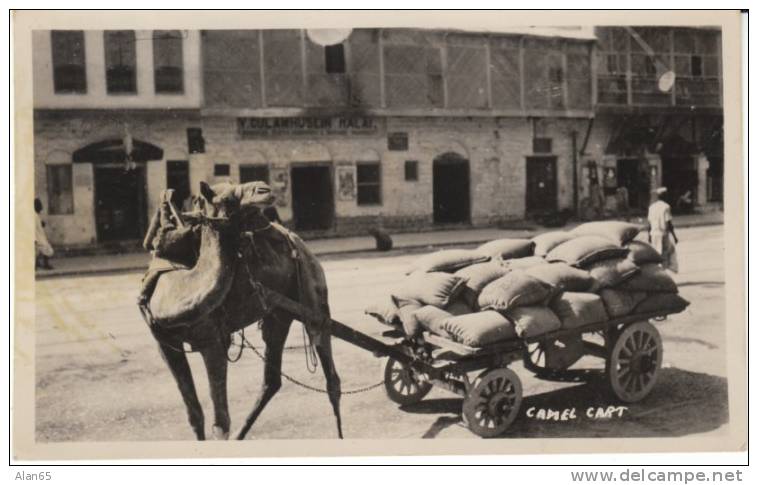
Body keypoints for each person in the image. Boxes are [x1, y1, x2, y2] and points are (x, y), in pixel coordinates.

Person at [647, 187, 679, 273]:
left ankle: (657, 272)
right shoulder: (666, 207)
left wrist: (649, 235)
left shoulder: (651, 207)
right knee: (664, 254)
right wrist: (674, 236)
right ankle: (663, 273)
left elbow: (649, 223)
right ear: (664, 196)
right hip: (663, 234)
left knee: (656, 254)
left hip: (654, 234)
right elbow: (669, 223)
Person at [34, 198, 54, 270]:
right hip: (37, 236)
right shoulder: (34, 215)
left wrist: (42, 223)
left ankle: (39, 264)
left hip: (39, 235)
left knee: (40, 251)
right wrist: (34, 239)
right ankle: (45, 264)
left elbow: (38, 224)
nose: (41, 208)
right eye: (39, 206)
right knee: (46, 249)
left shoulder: (36, 215)